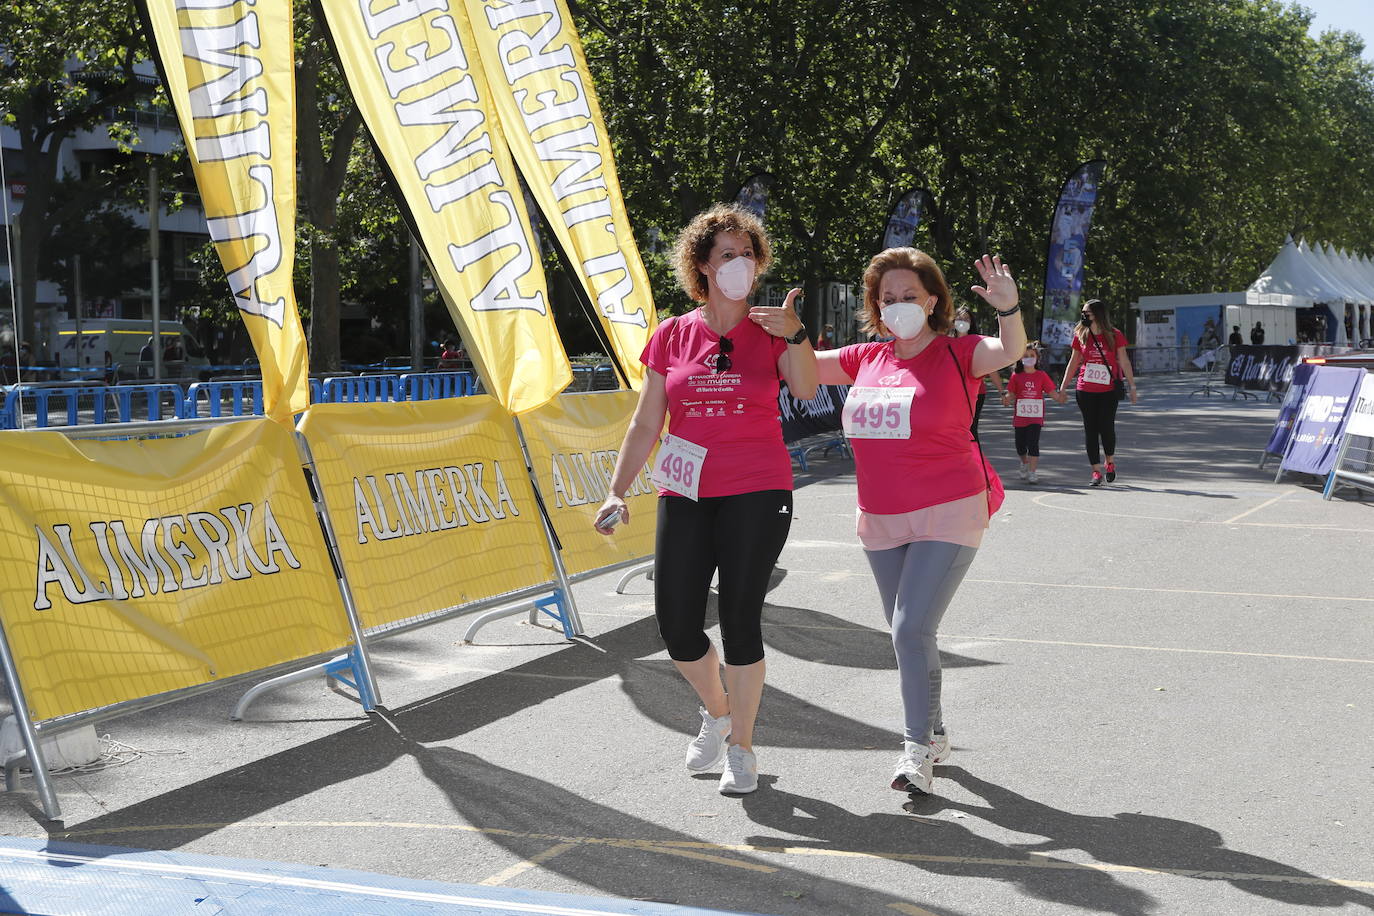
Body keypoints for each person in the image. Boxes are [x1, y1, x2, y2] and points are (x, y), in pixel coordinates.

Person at [592, 204, 818, 796]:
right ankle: (720, 714)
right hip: (686, 490)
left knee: (741, 618)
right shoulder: (670, 335)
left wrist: (795, 333)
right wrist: (618, 490)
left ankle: (741, 747)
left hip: (758, 488)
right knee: (676, 623)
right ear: (702, 266)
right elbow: (647, 424)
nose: (739, 265)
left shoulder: (773, 329)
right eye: (726, 255)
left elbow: (806, 386)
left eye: (747, 255)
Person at [813, 248, 1024, 795]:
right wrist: (772, 330)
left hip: (950, 509)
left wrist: (1010, 308)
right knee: (912, 635)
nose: (898, 305)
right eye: (888, 299)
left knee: (910, 630)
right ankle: (935, 731)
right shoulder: (866, 359)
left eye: (909, 296)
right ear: (875, 307)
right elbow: (801, 368)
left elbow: (1010, 349)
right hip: (880, 517)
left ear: (932, 301)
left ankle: (916, 752)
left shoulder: (960, 353)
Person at [1059, 298, 1138, 487]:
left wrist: (1132, 386)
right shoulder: (1081, 335)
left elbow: (1124, 361)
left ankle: (1109, 462)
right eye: (1083, 313)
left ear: (1098, 314)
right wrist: (1062, 387)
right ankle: (1095, 471)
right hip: (1085, 389)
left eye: (1088, 313)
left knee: (1107, 427)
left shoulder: (1114, 334)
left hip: (1108, 390)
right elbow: (1073, 362)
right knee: (1090, 430)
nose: (1084, 316)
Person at [1002, 341, 1065, 483]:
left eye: (1032, 355)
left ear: (1037, 358)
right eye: (1025, 355)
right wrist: (1007, 399)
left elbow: (1052, 392)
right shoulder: (1016, 376)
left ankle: (1032, 472)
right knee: (1020, 446)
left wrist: (1060, 398)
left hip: (1035, 417)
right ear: (1020, 358)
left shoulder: (1041, 375)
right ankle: (1024, 462)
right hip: (1020, 417)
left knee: (1033, 444)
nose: (1029, 358)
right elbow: (1011, 394)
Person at [950, 305, 1004, 436]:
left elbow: (992, 369)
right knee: (952, 430)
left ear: (971, 322)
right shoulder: (947, 343)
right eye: (960, 319)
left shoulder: (979, 343)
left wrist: (1002, 392)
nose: (963, 322)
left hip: (975, 393)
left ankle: (975, 457)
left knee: (970, 430)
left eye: (966, 319)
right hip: (952, 393)